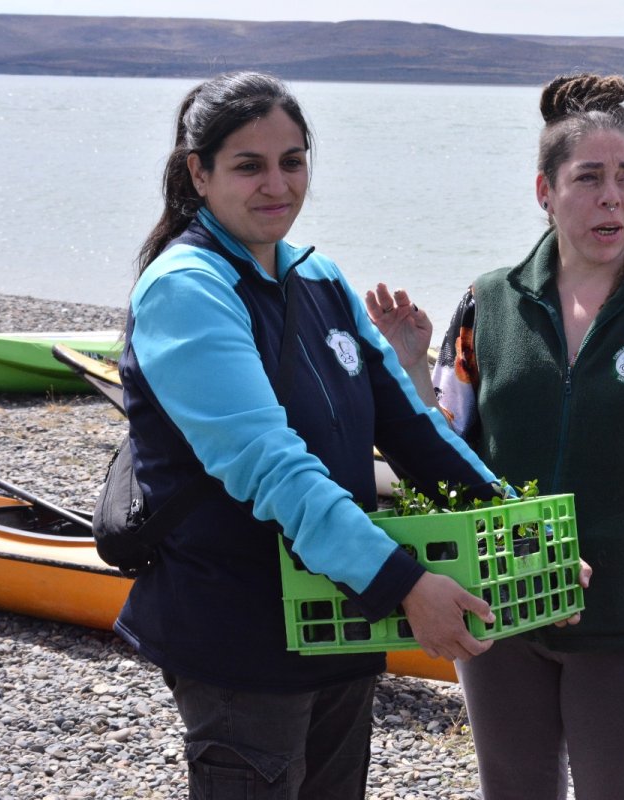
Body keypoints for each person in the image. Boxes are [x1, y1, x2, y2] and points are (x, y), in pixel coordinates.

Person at [114, 71, 508, 799]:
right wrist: (404, 583)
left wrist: (515, 525)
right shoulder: (186, 289)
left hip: (341, 620)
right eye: (249, 165)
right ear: (199, 173)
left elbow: (411, 426)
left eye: (292, 161)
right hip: (242, 636)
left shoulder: (319, 277)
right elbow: (272, 466)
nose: (277, 185)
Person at [367, 72, 624, 800]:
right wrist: (412, 369)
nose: (613, 197)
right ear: (544, 191)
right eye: (589, 178)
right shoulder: (489, 302)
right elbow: (441, 453)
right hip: (499, 612)